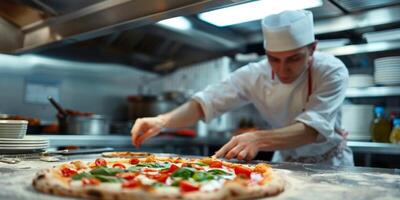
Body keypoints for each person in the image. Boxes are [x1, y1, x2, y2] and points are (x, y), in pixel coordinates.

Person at [131, 10, 354, 166]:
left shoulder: (331, 71)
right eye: (274, 59)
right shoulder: (254, 74)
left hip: (331, 163)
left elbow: (312, 129)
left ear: (312, 49)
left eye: (294, 59)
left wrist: (256, 138)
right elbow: (206, 102)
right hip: (285, 162)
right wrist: (161, 121)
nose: (282, 69)